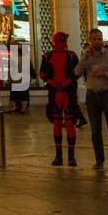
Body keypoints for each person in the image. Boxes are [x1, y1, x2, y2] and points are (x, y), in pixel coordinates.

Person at [76, 27, 108, 168]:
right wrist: (84, 56)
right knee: (95, 129)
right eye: (94, 39)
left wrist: (105, 73)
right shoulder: (87, 56)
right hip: (92, 95)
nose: (97, 41)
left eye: (99, 38)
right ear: (90, 40)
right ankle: (99, 160)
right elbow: (77, 72)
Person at [40, 31, 81, 166]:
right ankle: (62, 156)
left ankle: (69, 157)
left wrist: (65, 82)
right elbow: (42, 74)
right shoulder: (49, 56)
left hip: (67, 93)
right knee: (59, 123)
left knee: (69, 123)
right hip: (57, 93)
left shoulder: (70, 55)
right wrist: (53, 83)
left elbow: (76, 72)